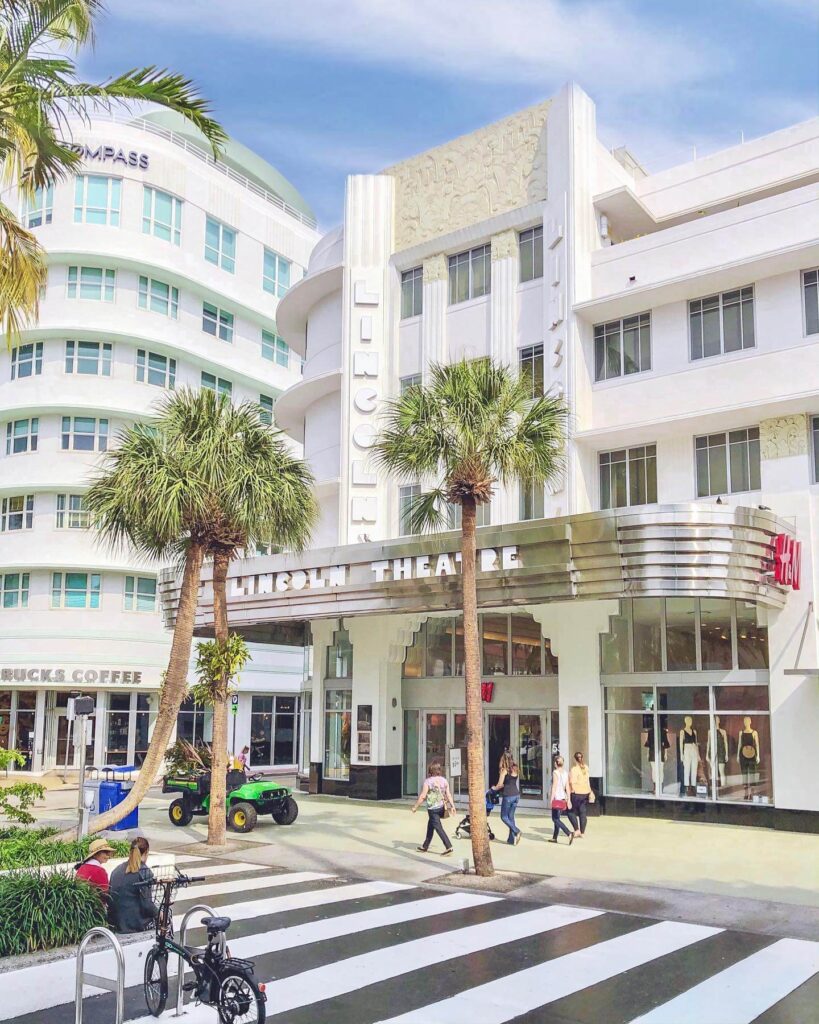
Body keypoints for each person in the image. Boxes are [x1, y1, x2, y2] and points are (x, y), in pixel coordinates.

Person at [108, 836, 158, 933]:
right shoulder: (145, 872)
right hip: (135, 924)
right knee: (166, 914)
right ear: (146, 852)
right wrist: (158, 914)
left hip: (116, 921)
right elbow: (147, 905)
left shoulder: (117, 869)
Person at [411, 761, 456, 856]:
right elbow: (448, 794)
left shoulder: (428, 781)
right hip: (441, 807)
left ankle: (449, 847)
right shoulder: (444, 780)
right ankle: (425, 846)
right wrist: (452, 806)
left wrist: (415, 807)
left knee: (438, 828)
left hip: (433, 809)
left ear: (430, 770)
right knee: (430, 826)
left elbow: (423, 796)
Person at [492, 751, 522, 845]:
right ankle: (511, 839)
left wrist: (494, 788)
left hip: (508, 795)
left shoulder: (504, 770)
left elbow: (500, 785)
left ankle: (516, 831)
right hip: (516, 795)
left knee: (504, 817)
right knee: (511, 817)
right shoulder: (515, 768)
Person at [548, 756, 575, 844]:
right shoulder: (565, 773)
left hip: (557, 798)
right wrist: (569, 799)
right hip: (563, 797)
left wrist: (551, 799)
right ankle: (555, 837)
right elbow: (567, 787)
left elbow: (554, 786)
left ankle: (568, 833)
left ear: (555, 763)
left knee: (555, 819)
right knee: (557, 817)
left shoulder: (555, 772)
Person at [568, 751, 594, 838]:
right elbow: (588, 781)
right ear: (582, 758)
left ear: (574, 759)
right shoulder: (586, 768)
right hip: (585, 793)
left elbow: (571, 782)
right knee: (583, 812)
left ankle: (577, 830)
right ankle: (582, 832)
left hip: (576, 793)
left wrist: (570, 791)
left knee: (570, 812)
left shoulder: (574, 769)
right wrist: (590, 791)